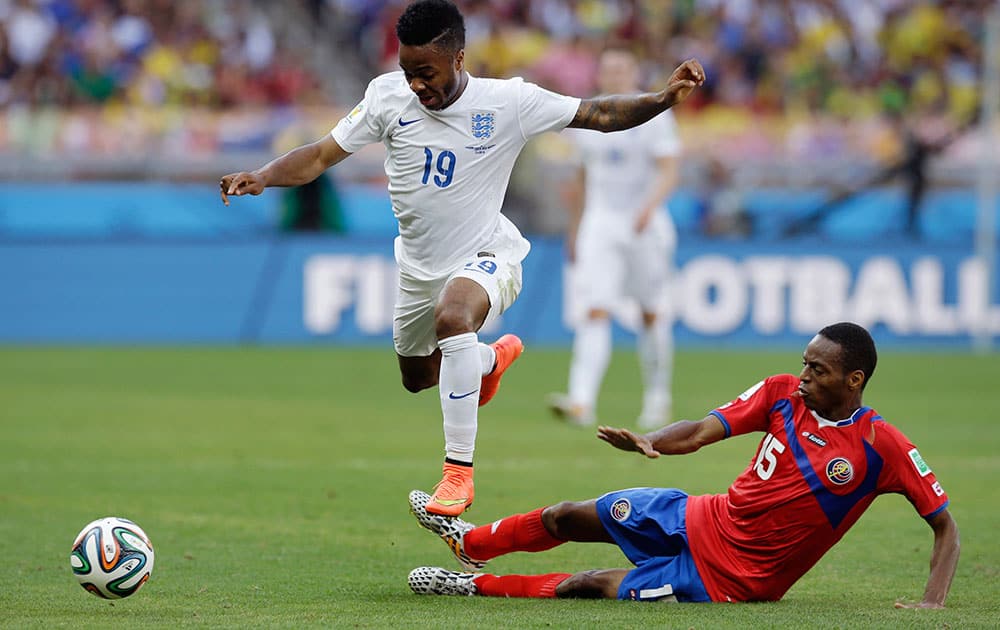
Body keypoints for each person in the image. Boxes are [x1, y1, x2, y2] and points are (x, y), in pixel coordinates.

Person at [219, 0, 705, 517]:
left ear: (458, 59)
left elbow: (599, 114)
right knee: (418, 377)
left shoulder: (509, 102)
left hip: (488, 253)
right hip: (417, 266)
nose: (415, 85)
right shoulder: (386, 97)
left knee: (454, 319)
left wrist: (661, 98)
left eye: (425, 73)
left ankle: (457, 475)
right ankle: (491, 359)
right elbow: (320, 154)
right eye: (407, 72)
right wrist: (265, 175)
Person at [406, 322, 960, 607]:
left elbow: (945, 527)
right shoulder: (781, 393)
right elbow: (698, 431)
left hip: (731, 578)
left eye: (818, 369)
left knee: (591, 583)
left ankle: (471, 587)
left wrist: (933, 603)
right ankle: (469, 543)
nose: (805, 376)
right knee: (567, 515)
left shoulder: (880, 445)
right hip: (697, 515)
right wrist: (650, 440)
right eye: (805, 364)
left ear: (854, 380)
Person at [547, 44, 681, 429]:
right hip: (601, 222)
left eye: (623, 69)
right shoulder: (590, 115)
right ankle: (581, 400)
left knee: (651, 311)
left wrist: (649, 207)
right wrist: (575, 229)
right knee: (594, 308)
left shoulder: (654, 114)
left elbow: (670, 170)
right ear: (600, 74)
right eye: (609, 69)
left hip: (645, 224)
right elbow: (582, 178)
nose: (616, 76)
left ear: (635, 73)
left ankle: (658, 397)